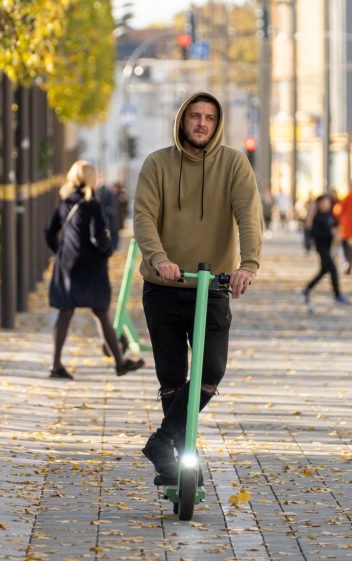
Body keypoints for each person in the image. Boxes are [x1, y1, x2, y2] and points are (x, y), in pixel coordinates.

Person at [133, 91, 263, 484]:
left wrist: (249, 264)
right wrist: (159, 259)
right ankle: (176, 460)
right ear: (182, 120)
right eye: (194, 116)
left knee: (210, 373)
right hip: (164, 285)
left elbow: (249, 216)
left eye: (209, 117)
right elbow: (143, 218)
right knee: (172, 380)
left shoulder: (234, 164)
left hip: (212, 287)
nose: (202, 123)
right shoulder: (156, 164)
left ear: (217, 123)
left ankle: (162, 442)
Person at [44, 161, 145, 380]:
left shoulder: (65, 202)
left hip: (67, 266)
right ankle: (119, 362)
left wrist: (61, 252)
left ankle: (55, 365)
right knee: (101, 311)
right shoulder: (92, 204)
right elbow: (97, 237)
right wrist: (107, 250)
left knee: (65, 311)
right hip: (90, 268)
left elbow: (50, 232)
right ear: (90, 178)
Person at [302, 194, 348, 310]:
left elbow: (336, 225)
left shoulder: (330, 215)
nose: (326, 205)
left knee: (323, 271)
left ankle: (307, 289)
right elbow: (315, 234)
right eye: (324, 203)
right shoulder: (317, 217)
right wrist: (330, 233)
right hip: (322, 248)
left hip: (330, 247)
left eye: (327, 203)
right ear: (319, 204)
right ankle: (337, 295)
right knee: (332, 269)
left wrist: (337, 231)